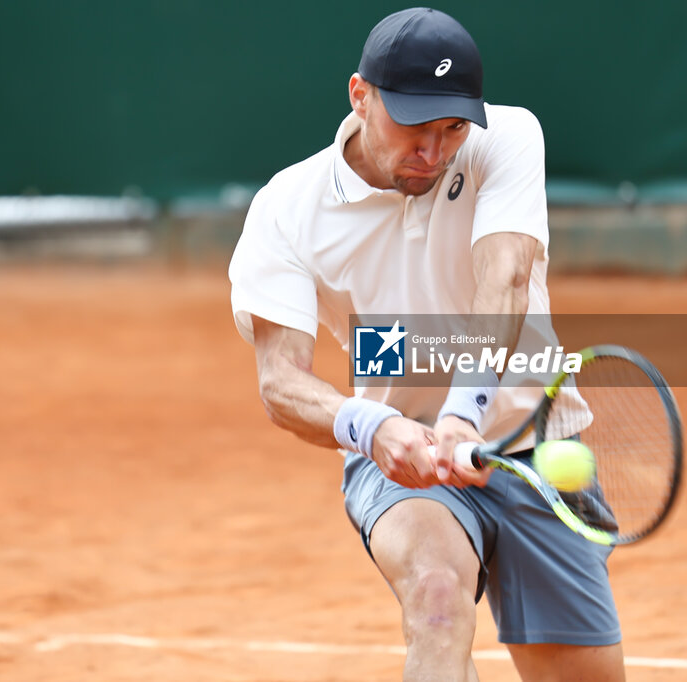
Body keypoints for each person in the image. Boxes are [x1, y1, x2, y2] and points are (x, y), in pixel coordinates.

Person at [229, 8, 625, 681]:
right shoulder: (286, 208)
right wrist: (373, 426)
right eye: (415, 126)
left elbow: (506, 279)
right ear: (361, 96)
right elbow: (280, 383)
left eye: (452, 128)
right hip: (400, 460)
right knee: (437, 599)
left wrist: (463, 413)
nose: (435, 152)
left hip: (533, 446)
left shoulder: (508, 138)